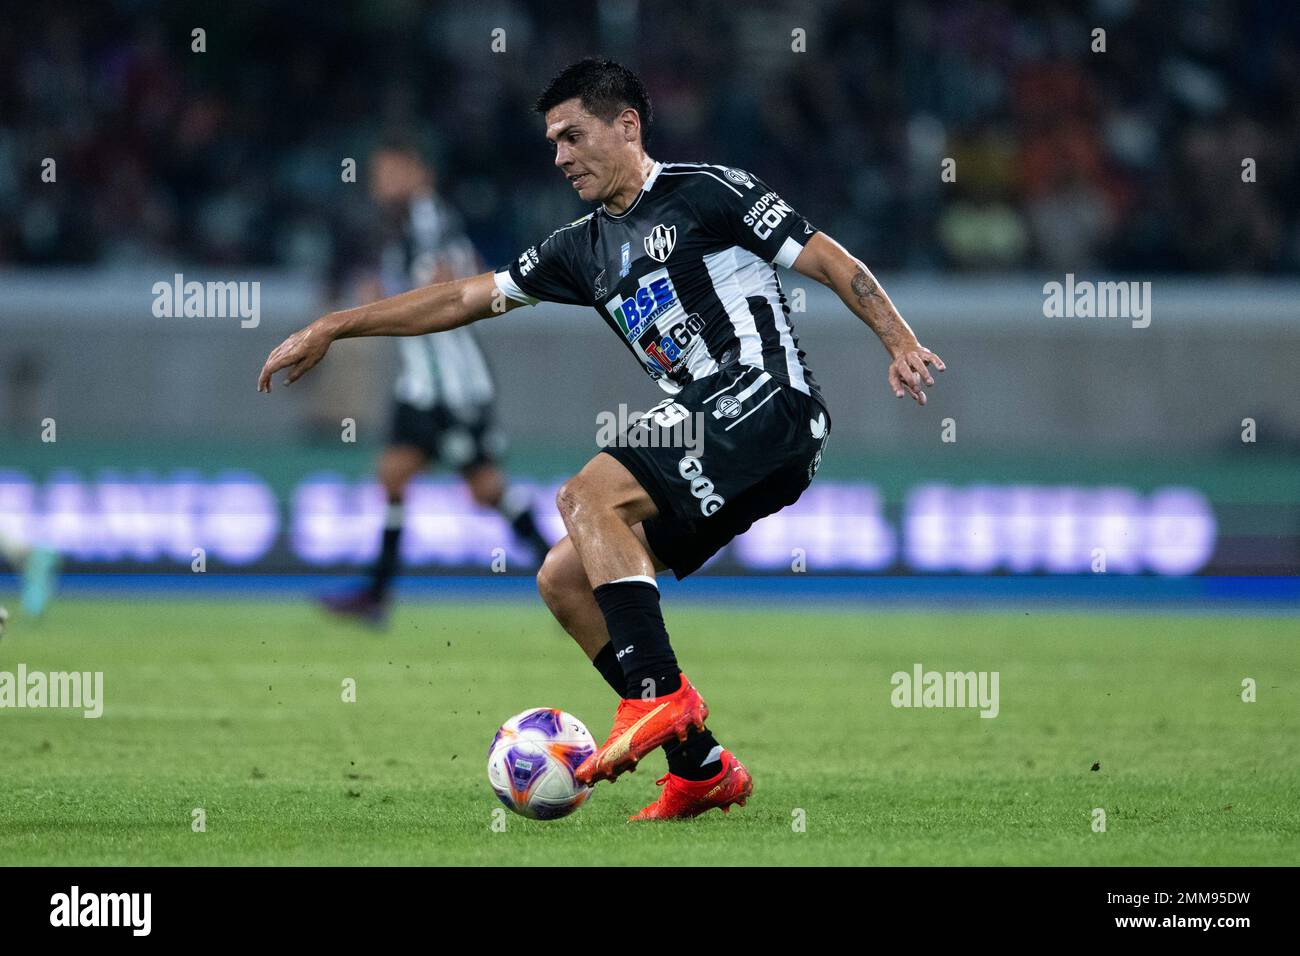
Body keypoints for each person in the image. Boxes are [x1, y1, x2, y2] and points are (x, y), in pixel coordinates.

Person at [259, 59, 945, 819]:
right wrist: (334, 326)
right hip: (714, 428)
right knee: (562, 578)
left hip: (766, 402)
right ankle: (699, 764)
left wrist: (899, 340)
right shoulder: (579, 249)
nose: (560, 156)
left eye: (574, 135)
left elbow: (827, 258)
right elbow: (461, 296)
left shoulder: (706, 192)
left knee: (585, 495)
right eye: (552, 142)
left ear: (628, 126)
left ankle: (656, 700)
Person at [319, 142, 551, 625]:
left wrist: (378, 300)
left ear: (416, 173)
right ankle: (376, 594)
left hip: (451, 386)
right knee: (394, 476)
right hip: (420, 386)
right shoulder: (407, 226)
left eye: (388, 173)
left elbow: (446, 291)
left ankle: (570, 573)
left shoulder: (430, 224)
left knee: (487, 489)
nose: (378, 184)